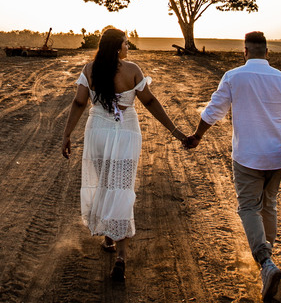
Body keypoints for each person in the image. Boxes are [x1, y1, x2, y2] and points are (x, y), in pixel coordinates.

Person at [185, 31, 281, 303]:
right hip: (276, 157)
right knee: (269, 205)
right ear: (267, 53)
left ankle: (265, 263)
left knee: (248, 207)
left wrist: (197, 136)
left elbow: (213, 111)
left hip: (247, 157)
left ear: (245, 52)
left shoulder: (234, 76)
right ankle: (268, 257)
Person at [61, 27, 189, 282]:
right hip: (125, 133)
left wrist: (66, 135)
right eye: (126, 44)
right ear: (117, 47)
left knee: (106, 183)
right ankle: (120, 256)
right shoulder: (132, 70)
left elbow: (78, 103)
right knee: (121, 184)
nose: (128, 47)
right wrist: (176, 131)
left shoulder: (89, 70)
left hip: (97, 131)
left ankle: (110, 235)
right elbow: (150, 102)